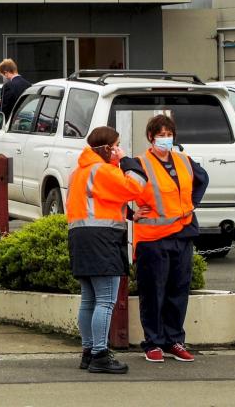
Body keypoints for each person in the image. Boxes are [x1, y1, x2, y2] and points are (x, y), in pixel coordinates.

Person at [66, 126, 148, 375]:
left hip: (80, 237)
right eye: (116, 145)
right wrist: (126, 160)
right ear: (107, 148)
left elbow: (100, 200)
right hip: (102, 239)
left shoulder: (79, 171)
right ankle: (100, 354)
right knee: (105, 300)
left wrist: (130, 214)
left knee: (89, 298)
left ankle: (88, 351)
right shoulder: (102, 170)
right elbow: (136, 187)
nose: (118, 149)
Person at [133, 114, 209, 364]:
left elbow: (202, 179)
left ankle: (174, 340)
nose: (165, 139)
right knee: (153, 291)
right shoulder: (140, 163)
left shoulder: (183, 160)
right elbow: (118, 190)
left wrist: (192, 204)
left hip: (183, 233)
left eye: (169, 135)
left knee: (178, 289)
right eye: (161, 135)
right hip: (153, 238)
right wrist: (130, 213)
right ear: (150, 137)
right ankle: (153, 342)